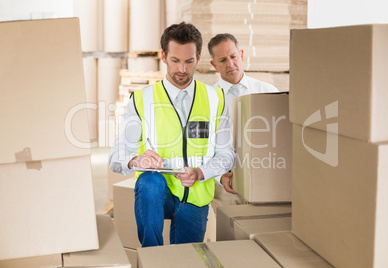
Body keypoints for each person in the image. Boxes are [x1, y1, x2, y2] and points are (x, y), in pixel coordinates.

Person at [109, 22, 235, 247]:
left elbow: (226, 154)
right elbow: (116, 156)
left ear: (198, 57)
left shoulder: (216, 98)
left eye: (189, 61)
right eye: (175, 61)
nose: (182, 70)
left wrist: (200, 172)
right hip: (159, 194)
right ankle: (151, 255)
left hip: (196, 196)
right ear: (163, 56)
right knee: (149, 181)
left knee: (186, 261)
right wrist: (136, 160)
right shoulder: (141, 100)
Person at [208, 33, 279, 206]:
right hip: (226, 185)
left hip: (266, 179)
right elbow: (200, 149)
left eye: (233, 57)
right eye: (223, 60)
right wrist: (219, 177)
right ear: (214, 64)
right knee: (231, 231)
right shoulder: (207, 100)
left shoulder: (268, 91)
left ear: (241, 55)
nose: (230, 64)